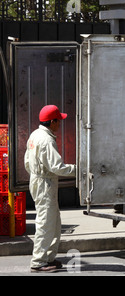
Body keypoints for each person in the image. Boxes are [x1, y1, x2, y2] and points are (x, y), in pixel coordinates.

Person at [24, 105, 76, 273]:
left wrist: (37, 174)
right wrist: (78, 169)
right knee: (46, 223)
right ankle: (39, 261)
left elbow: (26, 162)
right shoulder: (46, 140)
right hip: (45, 183)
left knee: (53, 222)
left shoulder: (35, 135)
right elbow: (57, 167)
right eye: (58, 121)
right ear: (52, 122)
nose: (60, 124)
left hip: (39, 180)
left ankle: (49, 258)